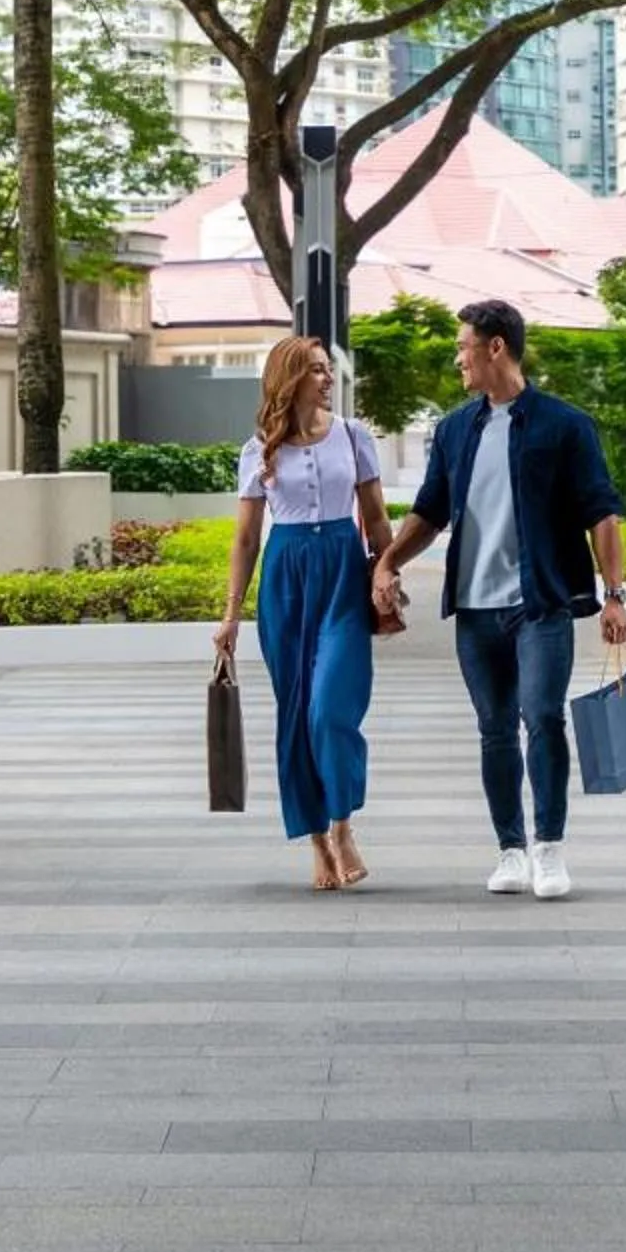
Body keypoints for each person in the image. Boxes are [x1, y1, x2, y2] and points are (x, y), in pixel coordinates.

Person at [371, 299, 626, 901]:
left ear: (495, 347)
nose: (457, 357)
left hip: (541, 603)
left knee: (541, 718)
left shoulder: (566, 425)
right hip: (476, 609)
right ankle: (509, 849)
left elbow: (602, 513)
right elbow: (430, 511)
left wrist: (614, 596)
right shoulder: (456, 429)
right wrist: (387, 560)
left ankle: (550, 849)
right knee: (493, 729)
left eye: (463, 346)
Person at [215, 334, 397, 891]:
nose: (326, 379)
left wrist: (387, 572)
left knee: (330, 710)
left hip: (343, 575)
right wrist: (230, 617)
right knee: (296, 714)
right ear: (288, 379)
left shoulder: (353, 435)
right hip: (286, 582)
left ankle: (343, 826)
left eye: (327, 370)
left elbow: (376, 517)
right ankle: (317, 841)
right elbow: (245, 541)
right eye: (315, 371)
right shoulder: (259, 449)